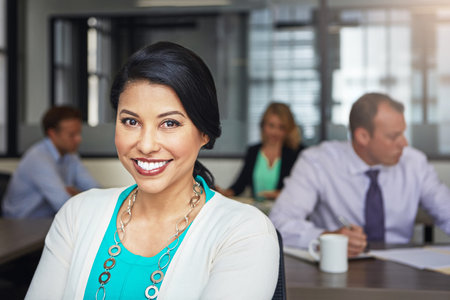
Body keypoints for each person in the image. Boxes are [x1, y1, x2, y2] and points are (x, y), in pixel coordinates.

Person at [25, 42, 279, 300]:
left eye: (169, 123)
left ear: (204, 133)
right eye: (131, 121)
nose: (146, 145)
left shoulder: (243, 231)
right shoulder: (77, 215)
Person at [269, 92, 450, 257]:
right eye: (394, 136)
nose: (404, 143)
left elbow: (446, 210)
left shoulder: (414, 163)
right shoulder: (318, 162)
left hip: (402, 268)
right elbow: (279, 223)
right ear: (363, 136)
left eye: (403, 133)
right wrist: (326, 238)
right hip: (338, 268)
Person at [2, 106, 99, 218]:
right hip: (19, 225)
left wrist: (76, 194)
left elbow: (96, 190)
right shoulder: (38, 158)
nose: (78, 139)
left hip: (47, 222)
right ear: (52, 134)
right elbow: (63, 203)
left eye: (79, 133)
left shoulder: (71, 155)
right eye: (72, 135)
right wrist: (80, 195)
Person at [218, 102, 303, 201]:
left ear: (288, 129)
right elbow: (239, 185)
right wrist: (223, 193)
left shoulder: (297, 153)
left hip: (284, 211)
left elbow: (302, 189)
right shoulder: (253, 151)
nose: (275, 132)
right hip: (257, 211)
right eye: (271, 126)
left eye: (281, 127)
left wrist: (282, 194)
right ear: (263, 125)